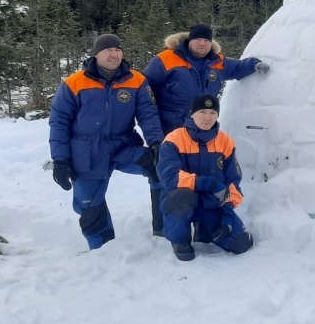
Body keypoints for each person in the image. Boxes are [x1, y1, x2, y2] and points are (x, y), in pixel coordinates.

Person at [49, 34, 164, 249]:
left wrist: (157, 143)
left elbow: (148, 114)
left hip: (123, 145)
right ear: (96, 54)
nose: (114, 54)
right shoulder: (74, 82)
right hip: (87, 152)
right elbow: (59, 123)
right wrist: (60, 160)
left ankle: (164, 230)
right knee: (90, 207)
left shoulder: (136, 80)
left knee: (161, 168)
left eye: (117, 49)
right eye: (108, 50)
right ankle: (102, 250)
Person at [156, 94, 253, 261]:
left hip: (212, 203)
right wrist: (207, 183)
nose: (207, 117)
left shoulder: (225, 141)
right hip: (182, 201)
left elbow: (233, 181)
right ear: (192, 113)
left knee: (241, 243)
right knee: (181, 197)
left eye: (212, 112)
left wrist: (227, 212)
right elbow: (169, 176)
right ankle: (180, 240)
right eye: (202, 111)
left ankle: (204, 228)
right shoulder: (174, 139)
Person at [143, 23, 269, 135]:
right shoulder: (165, 59)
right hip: (170, 127)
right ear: (190, 40)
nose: (202, 43)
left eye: (206, 40)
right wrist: (153, 126)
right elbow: (146, 89)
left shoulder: (216, 61)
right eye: (198, 39)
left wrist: (254, 64)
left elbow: (237, 67)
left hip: (203, 126)